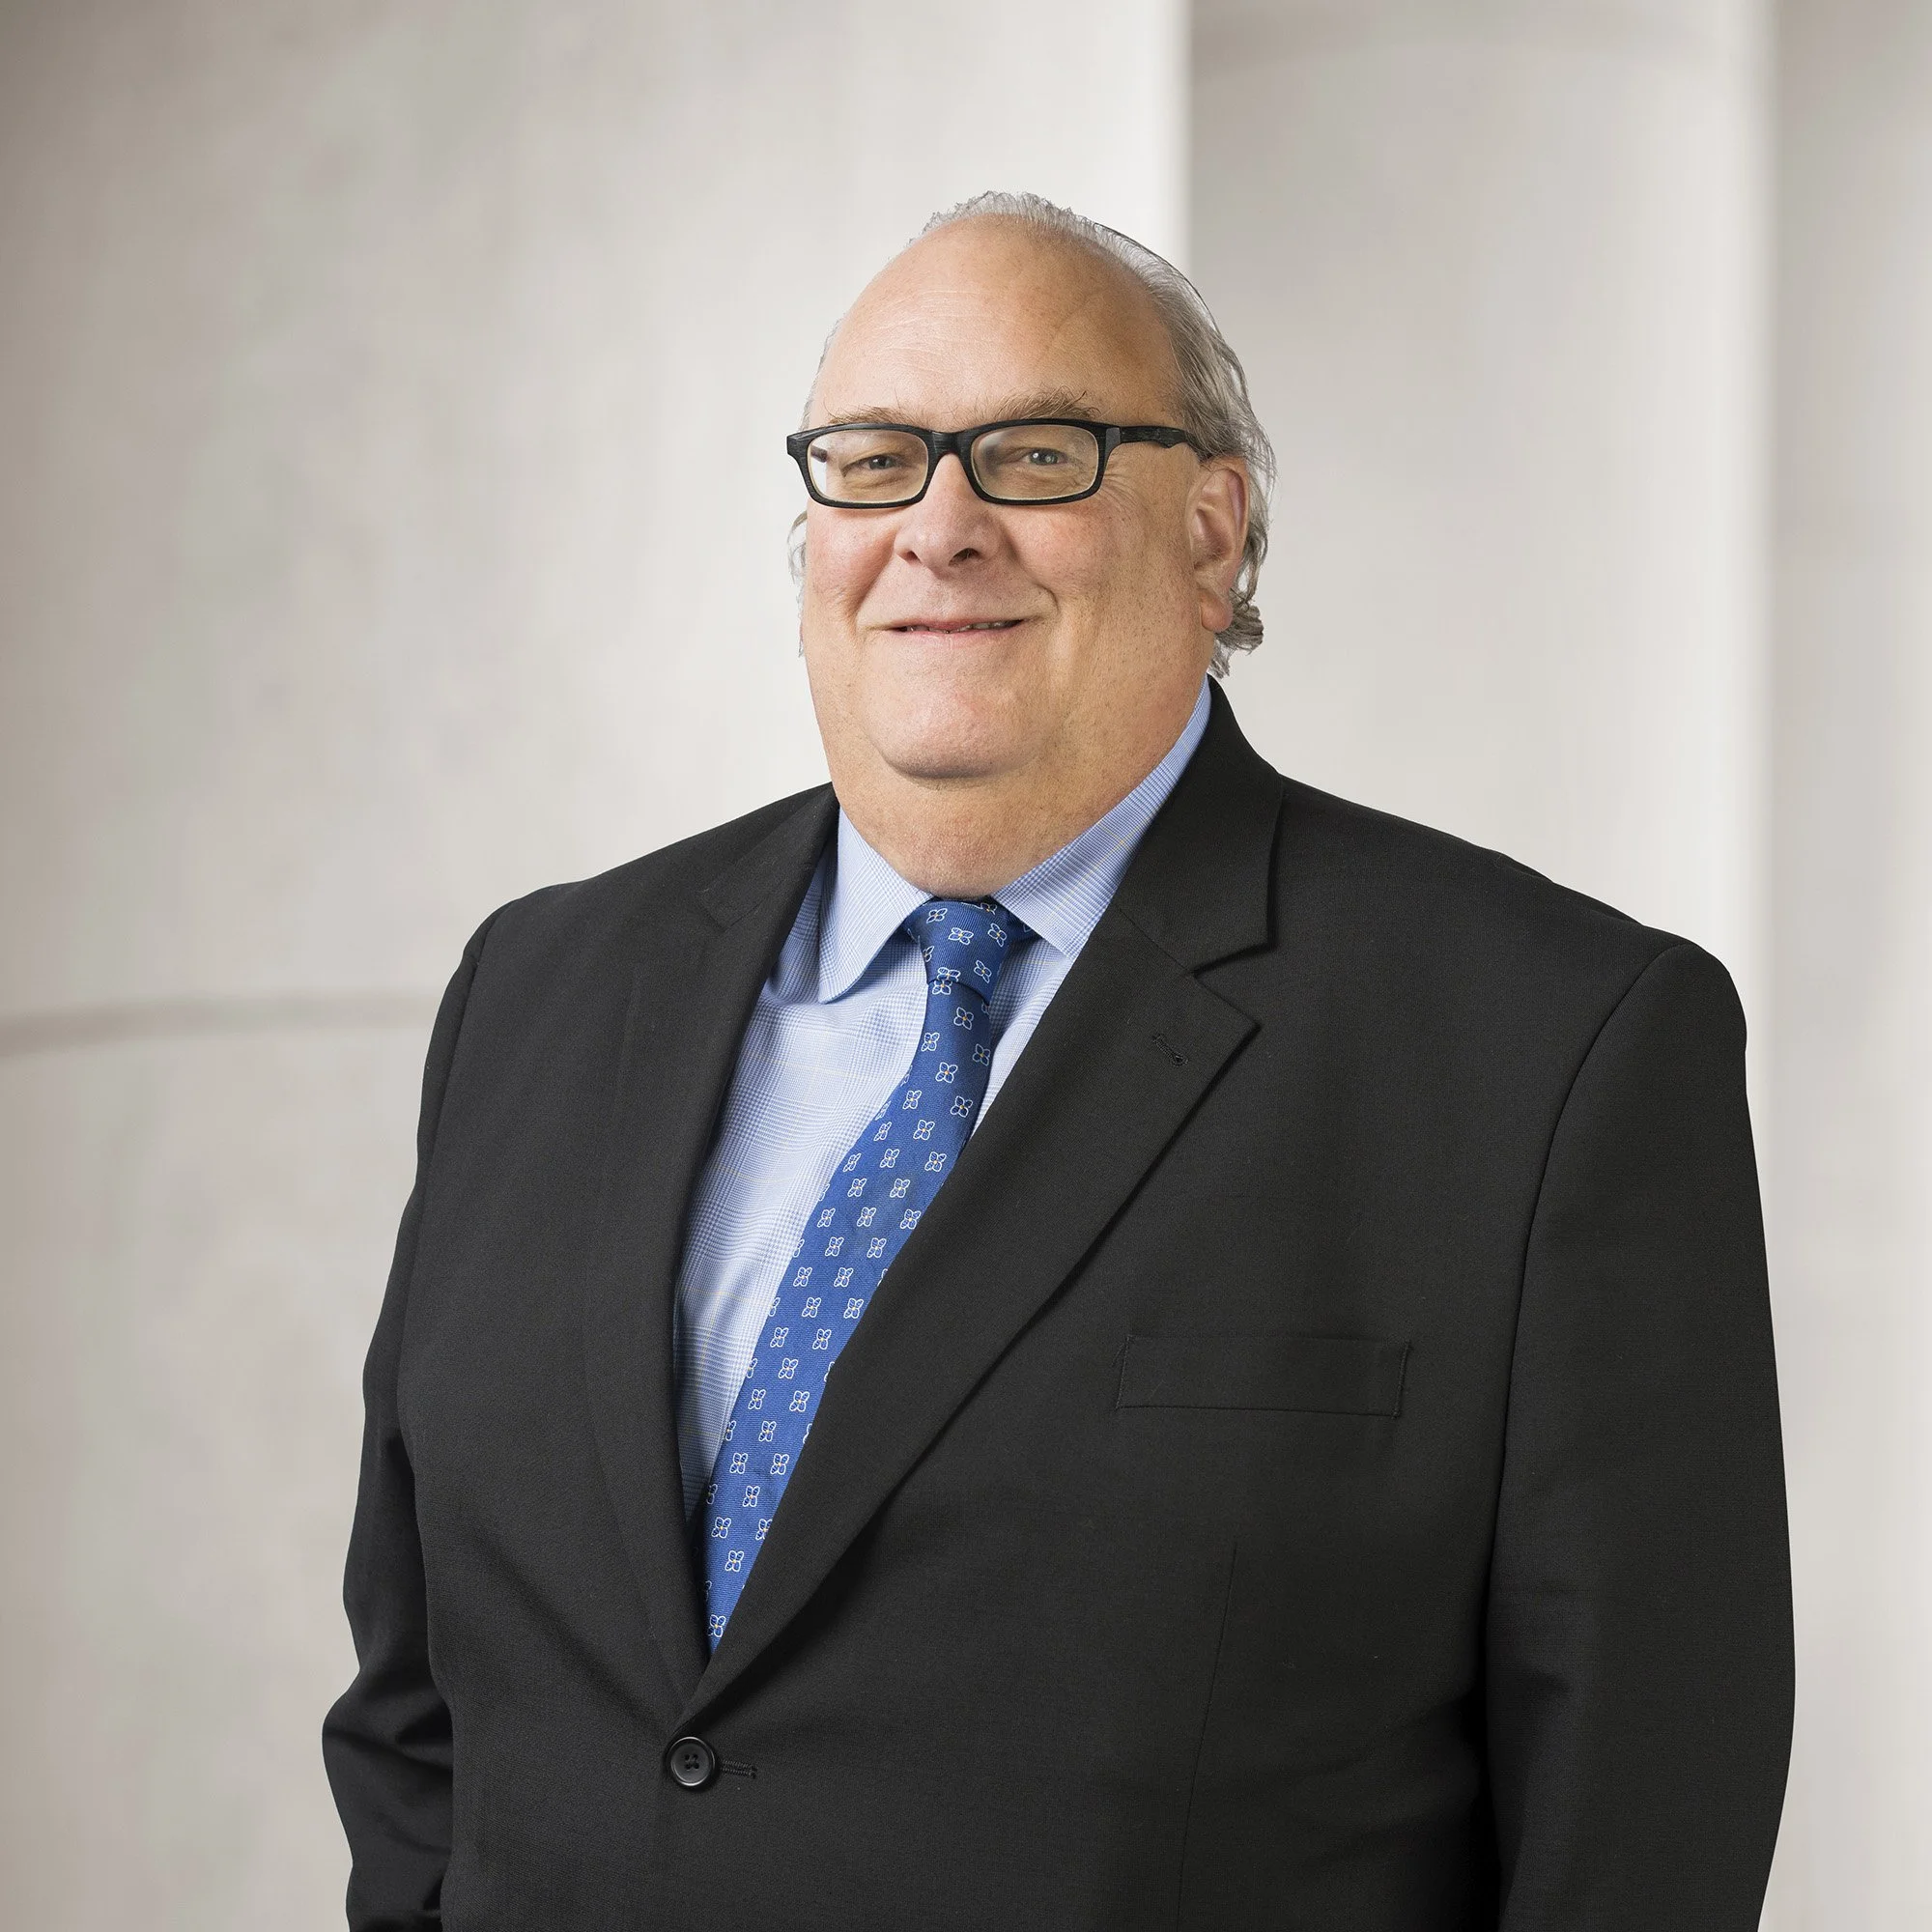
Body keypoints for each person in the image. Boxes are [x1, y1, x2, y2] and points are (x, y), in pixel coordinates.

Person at [324, 191, 1792, 1929]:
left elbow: (1639, 1824)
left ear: (1214, 532)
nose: (938, 528)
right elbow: (423, 1713)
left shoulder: (1551, 1048)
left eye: (1035, 454)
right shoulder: (543, 991)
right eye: (871, 462)